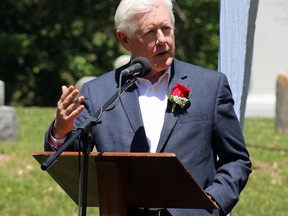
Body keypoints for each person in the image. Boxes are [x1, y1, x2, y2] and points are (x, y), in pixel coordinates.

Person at [44, 0, 252, 215]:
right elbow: (72, 164)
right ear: (125, 39)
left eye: (166, 29)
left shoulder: (209, 86)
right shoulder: (98, 93)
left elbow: (236, 159)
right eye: (150, 32)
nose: (162, 40)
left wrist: (214, 201)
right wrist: (61, 130)